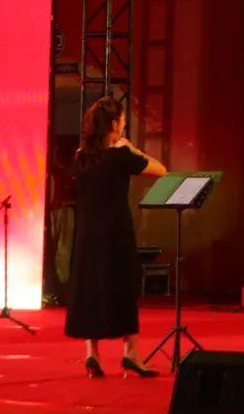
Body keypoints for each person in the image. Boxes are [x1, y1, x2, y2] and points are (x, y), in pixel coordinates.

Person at [65, 97, 166, 379]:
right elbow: (160, 170)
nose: (123, 125)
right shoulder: (121, 154)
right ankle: (131, 353)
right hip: (115, 232)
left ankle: (92, 354)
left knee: (90, 289)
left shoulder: (80, 156)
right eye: (121, 121)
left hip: (87, 234)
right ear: (113, 124)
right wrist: (130, 148)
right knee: (123, 287)